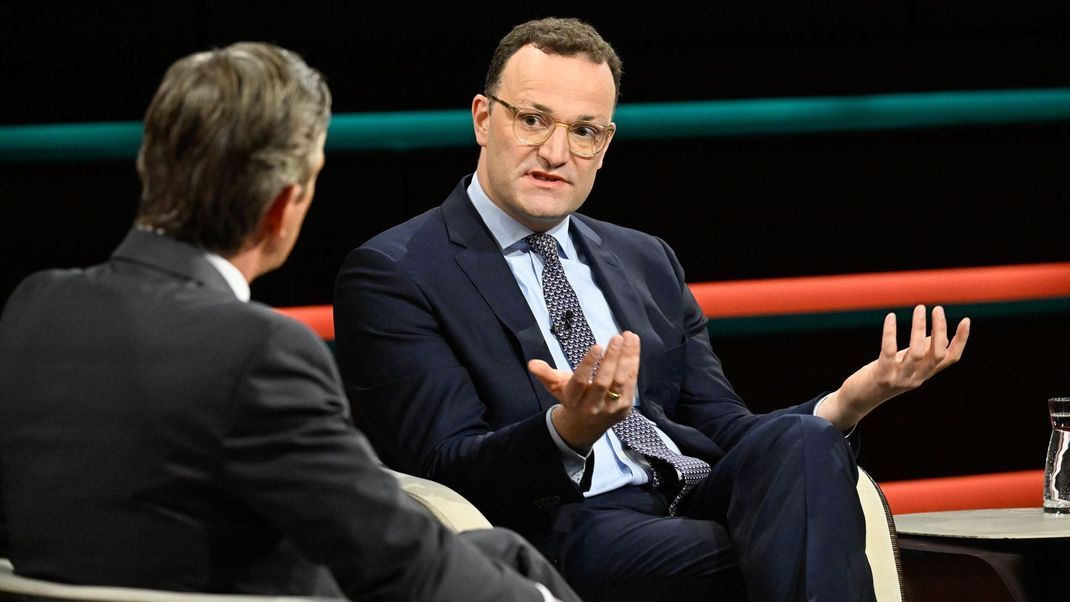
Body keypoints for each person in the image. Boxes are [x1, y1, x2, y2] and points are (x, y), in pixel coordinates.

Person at [333, 17, 972, 602]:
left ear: (605, 145)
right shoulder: (397, 273)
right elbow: (442, 470)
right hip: (565, 528)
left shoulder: (644, 259)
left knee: (805, 441)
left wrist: (848, 402)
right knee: (796, 538)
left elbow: (720, 424)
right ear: (482, 118)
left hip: (690, 495)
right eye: (533, 119)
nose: (556, 153)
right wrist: (569, 429)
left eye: (583, 132)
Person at [0, 42, 580, 602]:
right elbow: (397, 562)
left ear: (150, 164)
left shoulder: (33, 305)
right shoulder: (257, 352)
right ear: (284, 206)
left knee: (501, 553)